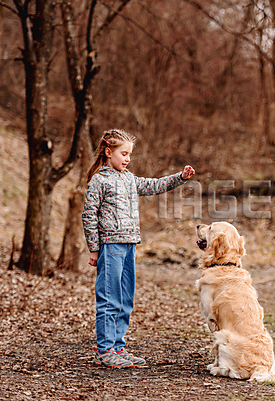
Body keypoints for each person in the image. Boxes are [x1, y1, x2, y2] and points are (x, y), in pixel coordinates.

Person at [82, 129, 195, 368]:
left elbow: (155, 185)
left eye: (130, 155)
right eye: (124, 153)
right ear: (108, 152)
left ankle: (118, 347)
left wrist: (181, 178)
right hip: (110, 247)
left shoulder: (129, 179)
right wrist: (94, 248)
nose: (127, 159)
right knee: (109, 298)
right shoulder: (99, 180)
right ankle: (105, 350)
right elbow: (89, 215)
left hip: (129, 246)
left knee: (125, 300)